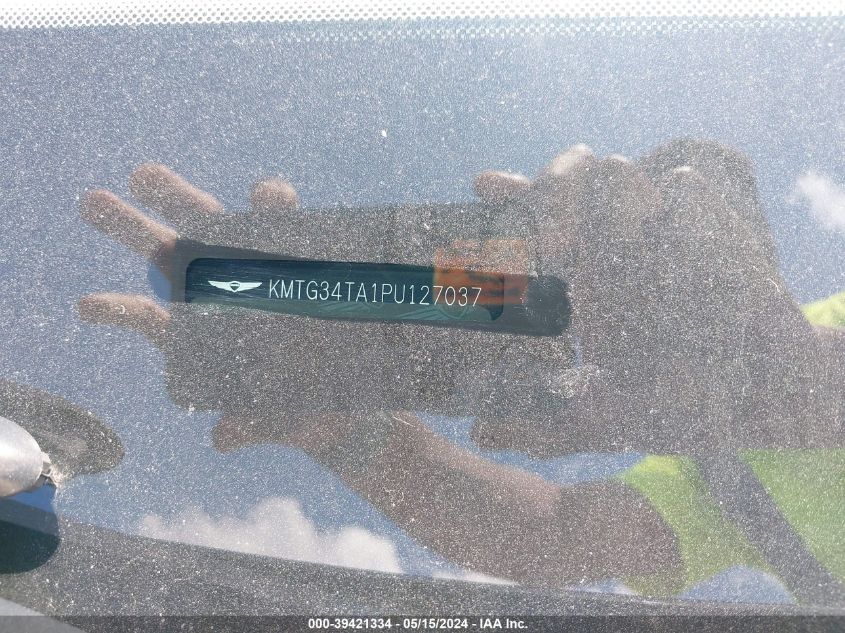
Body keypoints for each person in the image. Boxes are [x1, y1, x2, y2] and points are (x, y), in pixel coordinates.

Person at [77, 139, 844, 597]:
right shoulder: (724, 466)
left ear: (746, 252)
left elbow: (803, 382)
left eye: (666, 263)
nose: (639, 311)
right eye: (616, 267)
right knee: (483, 290)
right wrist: (351, 429)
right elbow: (553, 532)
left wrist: (783, 367)